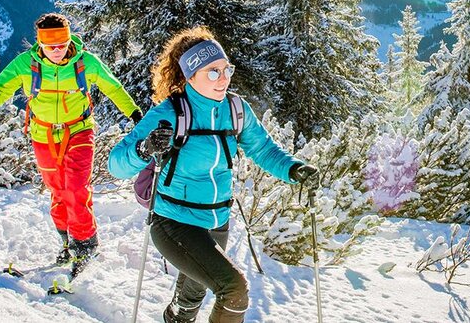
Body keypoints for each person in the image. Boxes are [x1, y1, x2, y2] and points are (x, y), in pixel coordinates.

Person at [109, 27, 317, 323]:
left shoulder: (235, 110)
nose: (224, 78)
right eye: (212, 72)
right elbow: (116, 164)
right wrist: (144, 148)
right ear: (190, 76)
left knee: (191, 297)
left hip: (217, 221)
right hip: (174, 222)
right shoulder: (169, 114)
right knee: (233, 290)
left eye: (225, 69)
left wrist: (296, 169)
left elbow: (263, 149)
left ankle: (176, 318)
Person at [0, 12, 141, 272]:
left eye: (62, 45)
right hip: (42, 135)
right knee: (58, 191)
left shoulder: (86, 63)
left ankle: (86, 244)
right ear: (39, 44)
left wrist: (134, 114)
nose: (57, 51)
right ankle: (68, 244)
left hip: (78, 130)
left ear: (69, 41)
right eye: (50, 46)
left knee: (75, 187)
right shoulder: (24, 65)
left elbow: (113, 88)